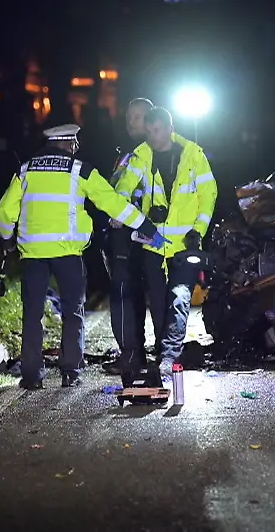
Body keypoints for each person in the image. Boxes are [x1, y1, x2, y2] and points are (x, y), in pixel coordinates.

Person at [0, 123, 167, 390]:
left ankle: (31, 376)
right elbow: (113, 203)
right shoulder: (79, 170)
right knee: (73, 313)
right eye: (74, 144)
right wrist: (145, 226)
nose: (76, 148)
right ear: (67, 143)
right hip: (69, 255)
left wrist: (7, 241)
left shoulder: (25, 169)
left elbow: (4, 212)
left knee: (32, 315)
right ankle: (70, 372)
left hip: (33, 256)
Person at [114, 106, 218, 386]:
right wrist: (130, 215)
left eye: (156, 131)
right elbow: (122, 190)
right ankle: (165, 353)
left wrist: (199, 230)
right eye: (148, 131)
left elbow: (209, 194)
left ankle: (170, 356)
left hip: (185, 244)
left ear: (169, 129)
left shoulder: (193, 155)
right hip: (153, 244)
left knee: (179, 298)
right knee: (159, 303)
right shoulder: (141, 155)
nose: (151, 136)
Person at [103, 97, 154, 383]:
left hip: (132, 232)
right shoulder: (128, 153)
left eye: (137, 117)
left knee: (125, 294)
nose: (130, 121)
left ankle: (132, 355)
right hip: (128, 232)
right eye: (129, 116)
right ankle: (135, 352)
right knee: (130, 294)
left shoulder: (148, 153)